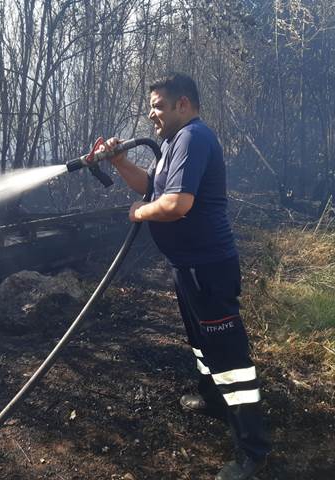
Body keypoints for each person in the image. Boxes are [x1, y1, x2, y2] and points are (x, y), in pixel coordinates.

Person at [98, 73, 271, 480]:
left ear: (183, 104)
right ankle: (213, 399)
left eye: (158, 105)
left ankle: (253, 450)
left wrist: (139, 214)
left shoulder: (195, 137)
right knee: (201, 343)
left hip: (207, 267)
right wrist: (121, 162)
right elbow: (153, 188)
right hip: (188, 266)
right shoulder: (174, 144)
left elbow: (176, 204)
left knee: (229, 358)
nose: (151, 114)